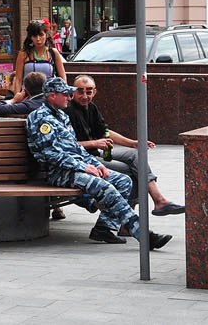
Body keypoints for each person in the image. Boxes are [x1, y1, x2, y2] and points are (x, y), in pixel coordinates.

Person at [26, 76, 172, 250]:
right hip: (58, 172)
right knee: (105, 187)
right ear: (52, 96)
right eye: (65, 94)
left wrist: (95, 164)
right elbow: (51, 154)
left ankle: (103, 228)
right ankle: (144, 235)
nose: (69, 97)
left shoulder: (62, 116)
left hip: (75, 168)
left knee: (124, 181)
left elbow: (76, 148)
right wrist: (83, 166)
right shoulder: (40, 118)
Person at [66, 75, 185, 217]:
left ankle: (159, 200)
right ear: (72, 92)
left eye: (89, 92)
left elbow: (105, 131)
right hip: (82, 160)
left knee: (135, 155)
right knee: (131, 171)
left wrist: (132, 143)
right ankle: (128, 219)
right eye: (80, 91)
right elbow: (65, 146)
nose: (85, 96)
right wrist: (94, 143)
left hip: (96, 154)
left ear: (95, 92)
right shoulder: (67, 111)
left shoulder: (91, 107)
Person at [12, 19, 67, 95]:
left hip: (49, 97)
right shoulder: (23, 54)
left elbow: (63, 78)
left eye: (41, 35)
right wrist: (16, 97)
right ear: (31, 37)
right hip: (28, 96)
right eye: (35, 36)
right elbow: (18, 79)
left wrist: (63, 95)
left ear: (46, 35)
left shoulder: (53, 52)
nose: (38, 39)